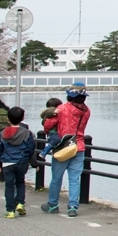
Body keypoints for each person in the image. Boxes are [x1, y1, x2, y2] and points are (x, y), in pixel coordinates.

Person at [40, 82, 90, 218]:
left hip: (63, 147)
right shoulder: (86, 111)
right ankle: (73, 207)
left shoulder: (61, 109)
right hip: (78, 146)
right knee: (74, 179)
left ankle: (53, 205)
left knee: (56, 178)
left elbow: (47, 126)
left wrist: (47, 117)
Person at [0, 106, 35, 218]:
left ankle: (10, 211)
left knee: (9, 186)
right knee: (20, 182)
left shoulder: (3, 133)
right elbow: (31, 148)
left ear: (8, 119)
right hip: (22, 162)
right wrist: (34, 163)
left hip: (8, 162)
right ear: (22, 118)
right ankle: (20, 203)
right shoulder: (27, 133)